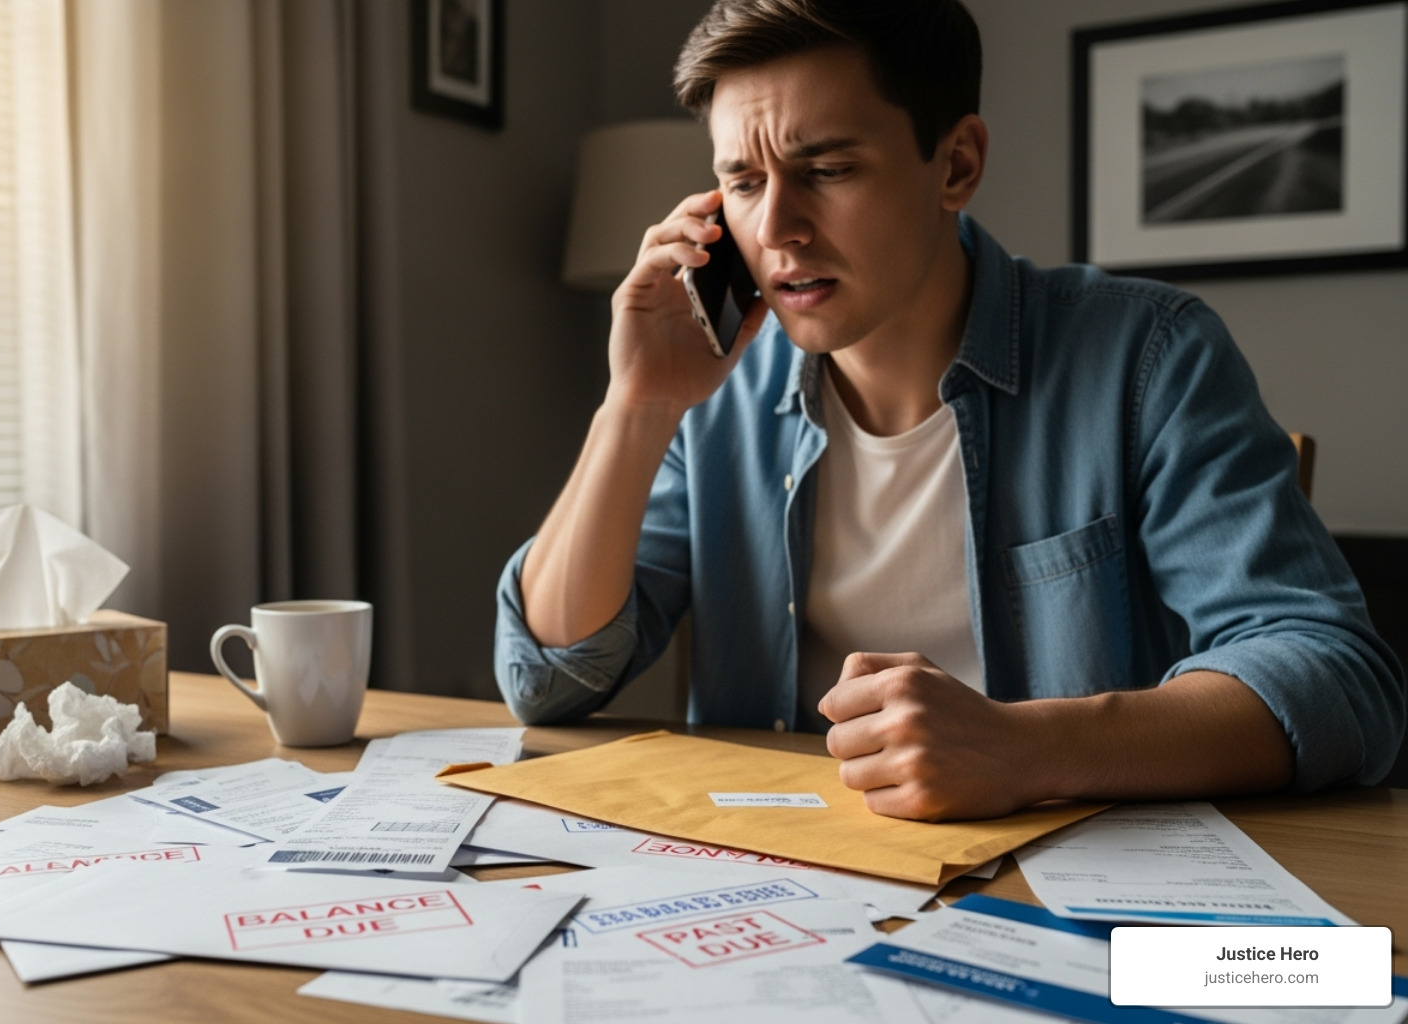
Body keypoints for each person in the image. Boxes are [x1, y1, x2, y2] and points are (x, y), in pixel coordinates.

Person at [493, 0, 1404, 821]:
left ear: (956, 163)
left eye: (829, 168)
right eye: (742, 181)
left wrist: (1024, 749)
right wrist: (637, 404)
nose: (774, 230)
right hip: (784, 883)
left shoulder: (1149, 357)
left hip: (1065, 894)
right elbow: (548, 677)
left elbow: (1335, 679)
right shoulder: (716, 383)